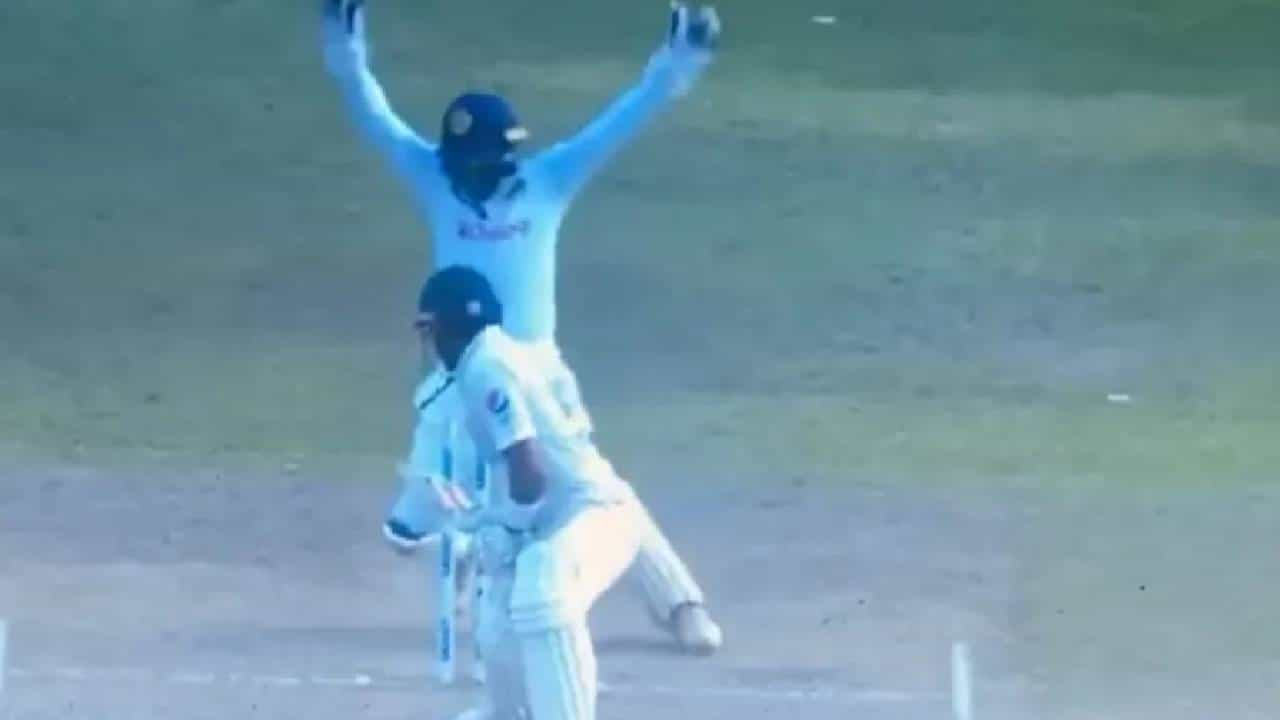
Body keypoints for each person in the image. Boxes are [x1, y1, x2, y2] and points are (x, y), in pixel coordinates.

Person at [322, 0, 723, 653]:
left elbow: (625, 118)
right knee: (438, 472)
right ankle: (455, 561)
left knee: (591, 487)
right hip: (460, 367)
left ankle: (681, 603)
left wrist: (684, 56)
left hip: (535, 369)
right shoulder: (433, 179)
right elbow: (373, 116)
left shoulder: (549, 179)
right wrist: (344, 44)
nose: (493, 172)